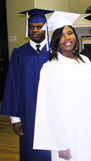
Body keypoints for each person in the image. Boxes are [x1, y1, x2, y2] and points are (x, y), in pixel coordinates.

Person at [33, 11, 91, 161]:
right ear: (55, 40)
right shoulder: (50, 68)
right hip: (69, 134)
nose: (67, 38)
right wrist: (60, 144)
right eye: (61, 35)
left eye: (70, 33)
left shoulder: (85, 60)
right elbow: (48, 109)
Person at [0, 8, 53, 161]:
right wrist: (15, 119)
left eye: (39, 26)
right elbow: (13, 86)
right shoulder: (19, 53)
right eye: (32, 27)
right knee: (30, 150)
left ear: (46, 28)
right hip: (28, 113)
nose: (35, 30)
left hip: (51, 112)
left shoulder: (55, 52)